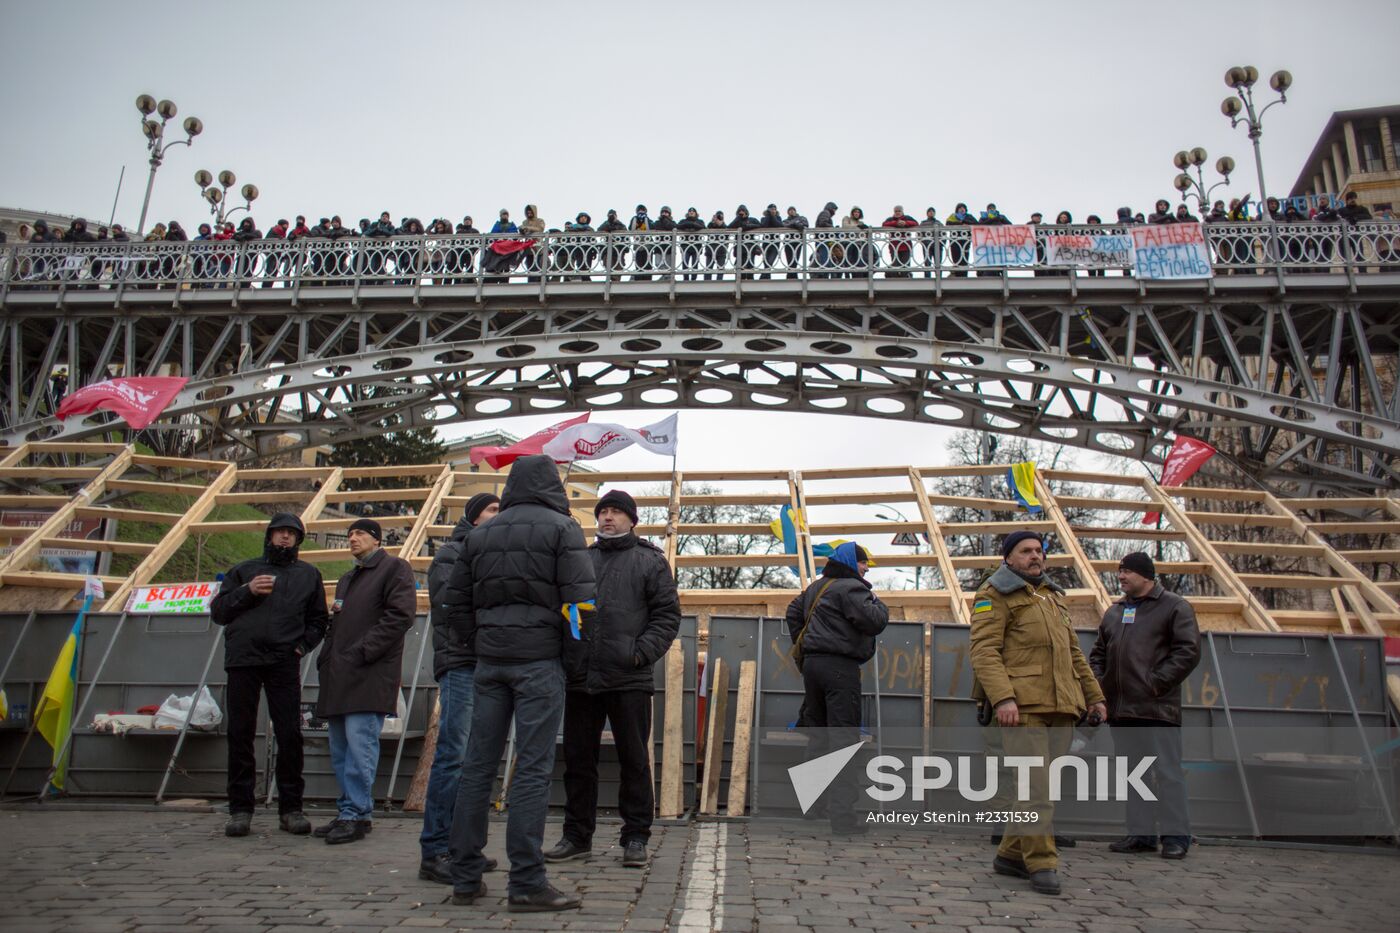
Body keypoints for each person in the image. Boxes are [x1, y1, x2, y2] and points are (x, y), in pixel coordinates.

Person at [445, 455, 596, 912]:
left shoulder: (481, 532)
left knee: (477, 768)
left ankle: (465, 877)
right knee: (531, 770)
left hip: (490, 664)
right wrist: (572, 661)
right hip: (539, 663)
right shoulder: (562, 527)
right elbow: (582, 605)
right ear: (553, 484)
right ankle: (527, 882)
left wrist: (481, 646)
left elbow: (455, 604)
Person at [546, 490, 680, 869]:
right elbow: (564, 610)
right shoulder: (580, 559)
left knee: (634, 761)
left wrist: (639, 653)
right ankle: (576, 836)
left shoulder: (650, 561)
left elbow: (667, 617)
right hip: (581, 678)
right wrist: (568, 654)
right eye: (603, 511)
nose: (608, 518)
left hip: (628, 679)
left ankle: (636, 837)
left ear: (632, 520)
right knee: (577, 761)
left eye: (617, 512)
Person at [970, 530, 1106, 896]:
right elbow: (984, 651)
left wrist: (1094, 696)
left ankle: (1010, 855)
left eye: (1039, 551)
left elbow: (1074, 653)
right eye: (1026, 551)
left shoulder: (1052, 597)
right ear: (1008, 558)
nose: (1036, 556)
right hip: (1022, 707)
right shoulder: (993, 595)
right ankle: (1042, 863)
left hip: (1062, 706)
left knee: (1039, 788)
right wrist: (1002, 699)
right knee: (1035, 789)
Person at [210, 513, 328, 838]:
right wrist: (247, 591)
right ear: (270, 536)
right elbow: (219, 612)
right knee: (240, 733)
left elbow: (319, 620)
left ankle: (291, 808)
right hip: (243, 660)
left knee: (290, 734)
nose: (285, 538)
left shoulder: (308, 575)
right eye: (280, 533)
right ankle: (240, 809)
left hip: (283, 661)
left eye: (291, 534)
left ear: (298, 540)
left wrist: (302, 647)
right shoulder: (244, 571)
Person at [1090, 552, 1200, 860]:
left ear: (1145, 575)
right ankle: (1141, 835)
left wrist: (1155, 683)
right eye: (1120, 572)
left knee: (1167, 773)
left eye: (1127, 572)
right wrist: (1103, 683)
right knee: (1134, 774)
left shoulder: (1174, 607)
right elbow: (1098, 654)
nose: (1121, 577)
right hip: (1123, 710)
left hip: (1157, 708)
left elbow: (1188, 651)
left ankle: (1176, 837)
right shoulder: (1114, 612)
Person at [313, 518, 417, 845]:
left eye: (359, 533)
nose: (352, 538)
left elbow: (400, 616)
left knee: (361, 747)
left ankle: (356, 813)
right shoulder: (348, 579)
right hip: (340, 675)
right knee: (341, 749)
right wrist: (327, 658)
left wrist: (363, 651)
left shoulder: (394, 569)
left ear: (376, 539)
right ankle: (351, 811)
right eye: (349, 534)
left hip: (369, 674)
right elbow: (337, 624)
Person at [418, 493, 501, 884]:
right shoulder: (452, 554)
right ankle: (434, 850)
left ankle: (463, 848)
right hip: (461, 664)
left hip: (485, 664)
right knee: (452, 756)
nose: (498, 517)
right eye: (492, 511)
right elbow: (451, 607)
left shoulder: (492, 552)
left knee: (473, 760)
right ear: (473, 516)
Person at [786, 542, 888, 834]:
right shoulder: (850, 588)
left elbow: (793, 612)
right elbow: (875, 620)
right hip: (840, 670)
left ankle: (811, 805)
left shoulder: (817, 588)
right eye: (863, 563)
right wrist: (879, 602)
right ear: (850, 562)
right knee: (843, 740)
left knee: (819, 736)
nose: (866, 568)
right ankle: (843, 818)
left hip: (812, 667)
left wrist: (805, 642)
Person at [882, 205, 918, 277]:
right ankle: (895, 280)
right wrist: (895, 223)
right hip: (894, 246)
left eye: (899, 211)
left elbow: (916, 223)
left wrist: (905, 223)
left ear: (902, 211)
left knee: (905, 265)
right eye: (896, 211)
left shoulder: (907, 218)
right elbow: (884, 225)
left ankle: (905, 279)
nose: (897, 213)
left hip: (906, 246)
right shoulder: (890, 219)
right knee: (895, 265)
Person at [945, 203, 975, 276]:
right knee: (956, 257)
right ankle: (957, 273)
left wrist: (966, 222)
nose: (962, 209)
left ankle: (964, 274)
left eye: (963, 208)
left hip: (965, 240)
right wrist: (961, 223)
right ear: (957, 210)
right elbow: (948, 223)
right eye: (960, 208)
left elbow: (975, 223)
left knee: (965, 256)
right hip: (955, 240)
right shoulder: (953, 216)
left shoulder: (969, 216)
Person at [677, 207, 706, 281]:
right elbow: (678, 226)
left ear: (696, 213)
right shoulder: (683, 221)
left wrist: (691, 224)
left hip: (696, 246)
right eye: (690, 211)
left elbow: (703, 227)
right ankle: (686, 279)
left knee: (695, 264)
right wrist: (690, 224)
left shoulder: (700, 221)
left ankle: (693, 279)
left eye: (693, 211)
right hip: (685, 246)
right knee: (685, 263)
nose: (691, 212)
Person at [781, 205, 809, 278]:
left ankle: (791, 276)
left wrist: (794, 224)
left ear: (795, 211)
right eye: (790, 210)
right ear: (788, 213)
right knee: (789, 260)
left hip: (797, 242)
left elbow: (805, 225)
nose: (791, 211)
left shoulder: (802, 218)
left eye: (793, 210)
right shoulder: (785, 220)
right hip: (788, 242)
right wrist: (795, 224)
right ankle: (792, 275)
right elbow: (783, 226)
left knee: (795, 259)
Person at [628, 204, 653, 280]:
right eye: (639, 210)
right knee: (639, 263)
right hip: (638, 245)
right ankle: (638, 278)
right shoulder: (634, 219)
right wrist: (635, 219)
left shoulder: (648, 219)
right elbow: (631, 229)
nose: (641, 212)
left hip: (648, 245)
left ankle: (647, 279)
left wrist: (645, 219)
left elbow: (651, 228)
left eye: (642, 210)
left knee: (648, 264)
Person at [704, 210, 728, 280]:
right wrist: (713, 222)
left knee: (720, 270)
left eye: (720, 217)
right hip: (710, 251)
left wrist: (721, 224)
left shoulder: (724, 226)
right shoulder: (711, 224)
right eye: (718, 217)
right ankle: (707, 284)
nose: (719, 218)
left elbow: (727, 233)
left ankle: (720, 285)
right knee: (708, 270)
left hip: (721, 251)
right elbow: (707, 228)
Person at [918, 207, 941, 277]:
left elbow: (943, 233)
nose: (931, 213)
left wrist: (942, 243)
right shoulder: (923, 223)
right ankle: (927, 277)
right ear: (927, 214)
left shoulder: (938, 223)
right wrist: (923, 242)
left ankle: (939, 277)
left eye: (933, 211)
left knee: (938, 262)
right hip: (926, 245)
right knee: (927, 262)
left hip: (938, 245)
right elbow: (919, 234)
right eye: (930, 211)